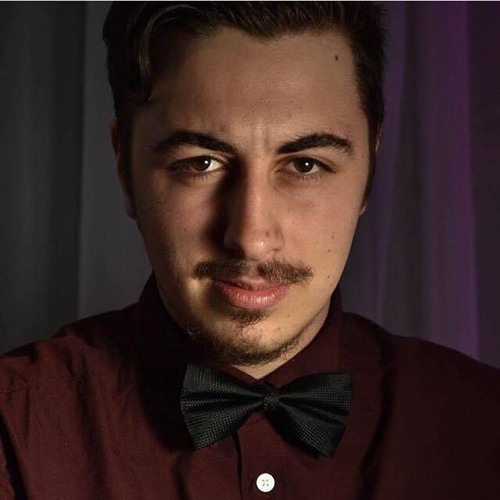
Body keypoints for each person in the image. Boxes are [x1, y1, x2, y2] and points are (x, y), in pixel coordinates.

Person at [1, 2, 499, 498]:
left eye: (305, 165)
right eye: (201, 163)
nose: (251, 236)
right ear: (124, 170)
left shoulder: (483, 425)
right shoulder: (14, 431)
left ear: (369, 169)